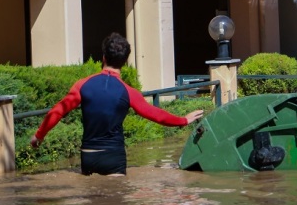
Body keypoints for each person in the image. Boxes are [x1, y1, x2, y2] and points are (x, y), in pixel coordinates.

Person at [30, 32, 204, 176]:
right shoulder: (128, 92)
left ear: (103, 57)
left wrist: (39, 135)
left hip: (88, 155)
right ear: (125, 61)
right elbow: (155, 114)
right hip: (113, 156)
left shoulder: (82, 85)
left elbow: (57, 112)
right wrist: (183, 120)